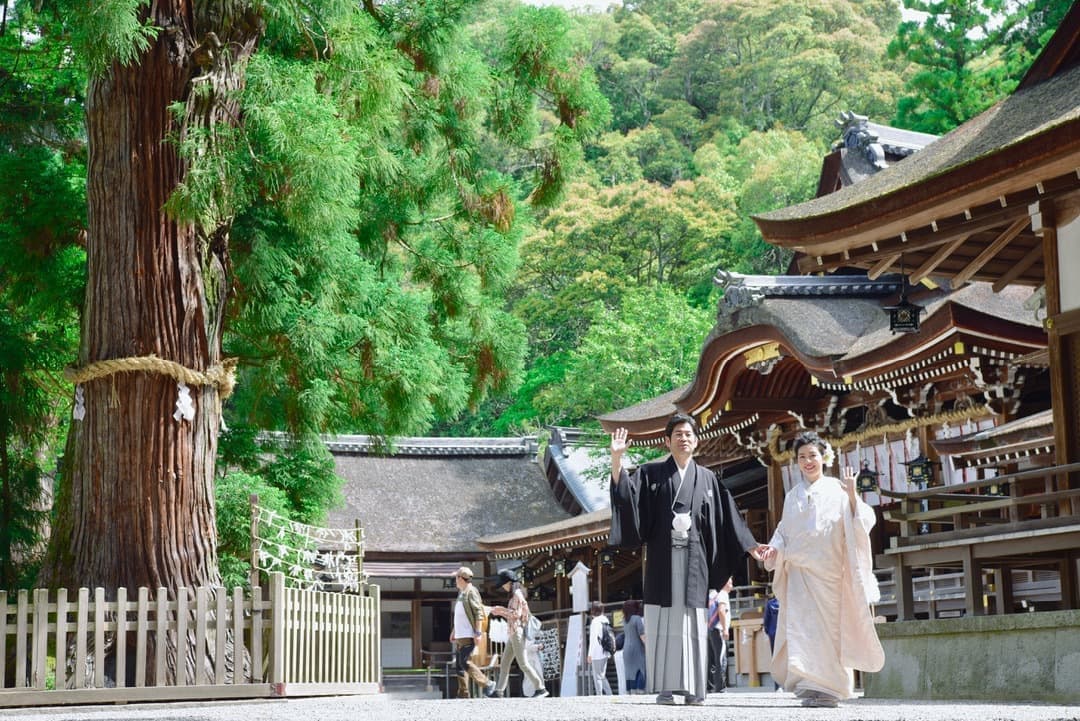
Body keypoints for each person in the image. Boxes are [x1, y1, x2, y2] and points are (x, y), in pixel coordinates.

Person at [609, 413, 766, 706]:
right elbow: (627, 497)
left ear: (696, 441)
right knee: (663, 620)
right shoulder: (650, 473)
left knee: (694, 621)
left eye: (688, 434)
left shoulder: (707, 479)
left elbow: (727, 520)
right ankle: (667, 688)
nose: (684, 439)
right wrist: (617, 461)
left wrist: (752, 546)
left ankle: (694, 687)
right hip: (661, 557)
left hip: (695, 557)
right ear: (667, 441)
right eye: (678, 434)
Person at [758, 431, 885, 708]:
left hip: (829, 573)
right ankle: (809, 685)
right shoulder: (792, 496)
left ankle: (832, 688)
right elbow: (783, 532)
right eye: (802, 457)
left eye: (812, 455)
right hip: (801, 575)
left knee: (829, 631)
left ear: (824, 457)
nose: (807, 461)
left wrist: (852, 497)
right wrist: (774, 548)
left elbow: (862, 521)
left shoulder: (837, 489)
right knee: (804, 629)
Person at [489, 568, 549, 698]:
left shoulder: (516, 594)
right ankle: (499, 691)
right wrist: (501, 610)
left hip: (516, 632)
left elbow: (515, 614)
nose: (502, 587)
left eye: (503, 584)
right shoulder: (516, 594)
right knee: (505, 663)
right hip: (513, 632)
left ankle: (540, 688)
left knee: (523, 663)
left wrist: (500, 610)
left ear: (509, 583)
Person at [448, 566, 496, 699]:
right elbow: (459, 616)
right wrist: (454, 631)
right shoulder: (462, 593)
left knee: (464, 662)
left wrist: (478, 632)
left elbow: (478, 613)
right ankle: (463, 694)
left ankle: (487, 683)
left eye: (456, 578)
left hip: (469, 634)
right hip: (460, 635)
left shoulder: (471, 592)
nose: (455, 581)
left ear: (460, 578)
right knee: (459, 665)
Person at [706, 577, 732, 693]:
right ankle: (720, 687)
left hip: (710, 629)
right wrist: (725, 629)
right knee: (721, 658)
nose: (732, 585)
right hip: (718, 629)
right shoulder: (723, 594)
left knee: (712, 659)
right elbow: (721, 611)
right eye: (730, 582)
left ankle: (710, 685)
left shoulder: (712, 594)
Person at [586, 601, 613, 695]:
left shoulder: (595, 622)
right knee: (602, 675)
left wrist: (590, 654)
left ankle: (599, 696)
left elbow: (593, 639)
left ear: (593, 610)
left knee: (597, 676)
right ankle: (609, 694)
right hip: (606, 651)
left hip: (597, 652)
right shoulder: (606, 620)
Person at [620, 599, 647, 694]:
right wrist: (649, 648)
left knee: (629, 672)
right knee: (640, 669)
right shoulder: (637, 619)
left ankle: (631, 691)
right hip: (637, 649)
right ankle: (640, 691)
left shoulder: (624, 620)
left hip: (626, 650)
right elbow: (642, 636)